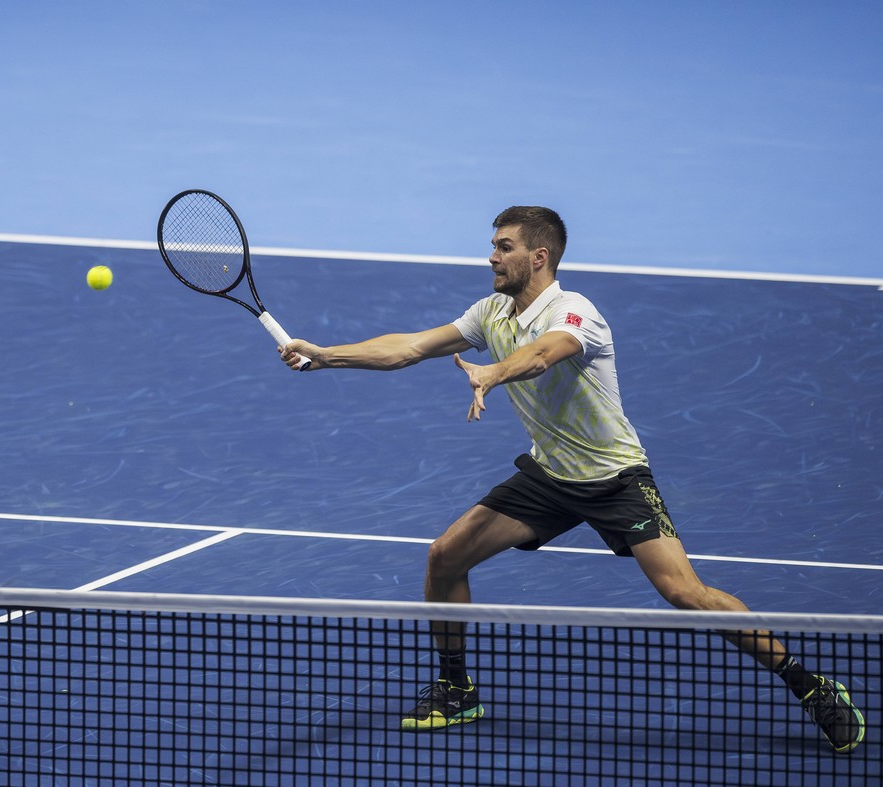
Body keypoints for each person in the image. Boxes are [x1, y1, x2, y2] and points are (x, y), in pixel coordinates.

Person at [278, 206, 865, 754]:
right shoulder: (490, 314)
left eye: (503, 248)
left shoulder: (574, 312)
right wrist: (326, 354)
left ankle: (808, 684)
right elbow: (409, 347)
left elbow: (543, 355)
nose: (491, 258)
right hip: (551, 475)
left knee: (686, 594)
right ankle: (457, 690)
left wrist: (493, 373)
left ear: (538, 257)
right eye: (492, 247)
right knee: (444, 557)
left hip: (616, 479)